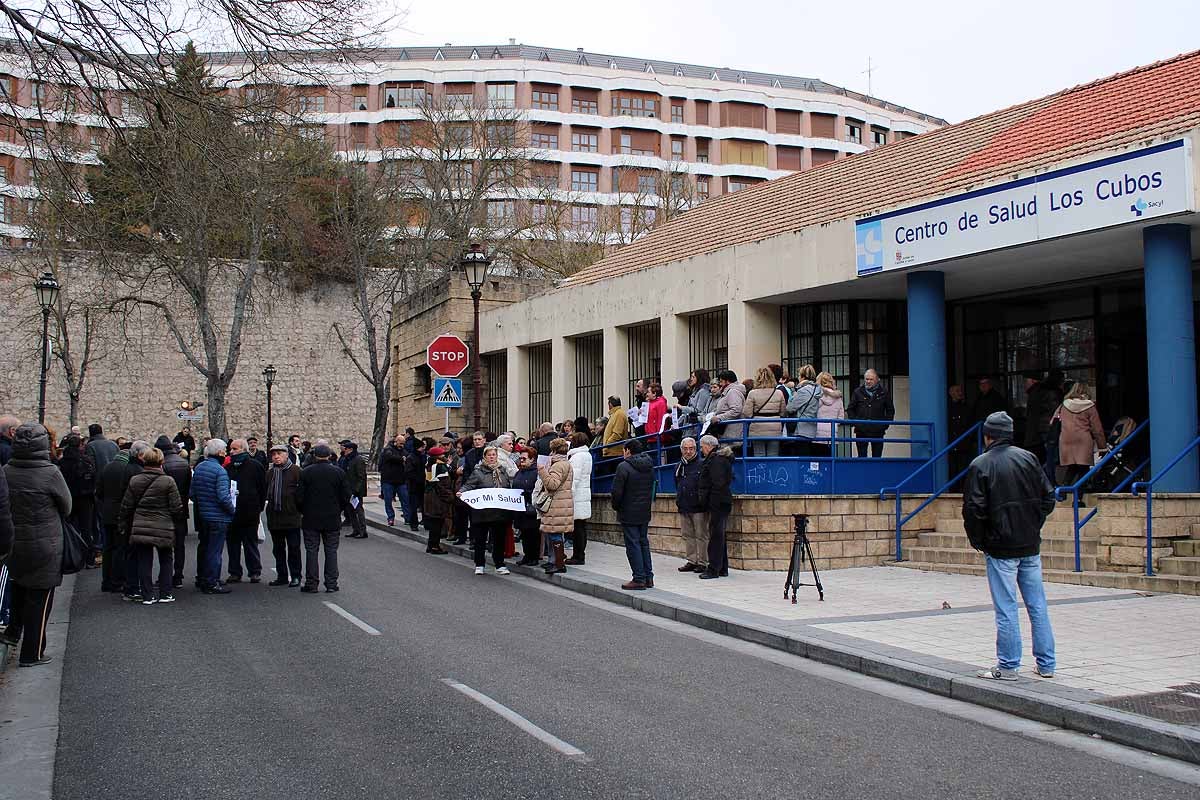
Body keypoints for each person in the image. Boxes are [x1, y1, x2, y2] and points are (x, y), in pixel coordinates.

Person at [963, 411, 1057, 681]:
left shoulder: (980, 465)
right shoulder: (1028, 458)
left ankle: (1008, 666)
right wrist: (1033, 524)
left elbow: (974, 510)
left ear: (988, 436)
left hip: (1001, 546)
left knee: (1006, 607)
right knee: (1037, 605)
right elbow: (1048, 498)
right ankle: (1047, 663)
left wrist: (981, 541)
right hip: (1029, 543)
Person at [0, 424, 70, 666]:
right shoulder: (50, 473)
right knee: (40, 599)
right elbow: (66, 505)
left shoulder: (6, 470)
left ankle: (12, 632)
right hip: (46, 541)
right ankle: (33, 652)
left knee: (19, 586)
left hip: (15, 541)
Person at [120, 447, 183, 604]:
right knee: (166, 559)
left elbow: (127, 505)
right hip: (163, 524)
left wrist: (123, 522)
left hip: (141, 524)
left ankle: (147, 594)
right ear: (161, 462)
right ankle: (165, 592)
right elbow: (176, 507)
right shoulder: (168, 481)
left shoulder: (135, 480)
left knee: (144, 560)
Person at [296, 443, 349, 593]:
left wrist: (303, 510)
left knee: (311, 550)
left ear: (315, 456)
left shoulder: (306, 472)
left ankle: (311, 583)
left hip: (311, 517)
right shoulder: (338, 473)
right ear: (329, 455)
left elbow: (299, 497)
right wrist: (339, 509)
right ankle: (331, 583)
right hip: (332, 517)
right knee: (331, 550)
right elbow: (345, 496)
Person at [459, 445, 513, 575]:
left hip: (499, 512)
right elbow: (468, 485)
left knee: (499, 540)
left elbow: (508, 487)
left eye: (494, 455)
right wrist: (461, 492)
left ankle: (499, 564)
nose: (492, 457)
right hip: (482, 513)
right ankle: (479, 564)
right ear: (484, 457)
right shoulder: (478, 472)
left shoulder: (502, 470)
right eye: (489, 455)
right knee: (480, 539)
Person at [190, 439, 235, 594]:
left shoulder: (200, 467)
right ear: (220, 452)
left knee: (204, 547)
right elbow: (223, 497)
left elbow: (192, 493)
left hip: (203, 514)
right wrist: (232, 510)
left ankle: (202, 577)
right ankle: (211, 581)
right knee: (215, 551)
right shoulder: (220, 471)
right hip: (218, 516)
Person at [611, 438, 655, 590]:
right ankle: (648, 577)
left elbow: (617, 492)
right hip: (644, 510)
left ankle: (639, 578)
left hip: (628, 511)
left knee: (633, 544)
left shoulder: (623, 467)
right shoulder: (649, 465)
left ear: (628, 451)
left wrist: (616, 506)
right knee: (643, 542)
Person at [225, 438, 266, 582]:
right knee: (233, 543)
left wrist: (258, 507)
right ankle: (235, 572)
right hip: (232, 512)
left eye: (235, 449)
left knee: (250, 542)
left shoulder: (255, 466)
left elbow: (262, 489)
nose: (231, 451)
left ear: (243, 449)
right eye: (231, 449)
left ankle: (254, 571)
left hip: (250, 511)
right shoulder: (228, 468)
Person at [1053, 382, 1106, 487]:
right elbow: (1097, 429)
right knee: (1084, 468)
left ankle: (1064, 489)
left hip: (1066, 440)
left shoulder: (1063, 405)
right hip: (1083, 440)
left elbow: (1053, 422)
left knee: (1072, 466)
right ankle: (1079, 497)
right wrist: (1102, 448)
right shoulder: (1089, 406)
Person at [265, 444, 303, 587]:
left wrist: (299, 509)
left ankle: (296, 576)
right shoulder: (270, 473)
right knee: (278, 549)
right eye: (274, 454)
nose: (276, 457)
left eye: (279, 454)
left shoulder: (296, 471)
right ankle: (281, 576)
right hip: (275, 517)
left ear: (286, 455)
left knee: (294, 548)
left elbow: (302, 493)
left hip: (291, 516)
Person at [156, 435, 192, 588]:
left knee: (165, 545)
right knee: (179, 544)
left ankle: (165, 576)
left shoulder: (162, 466)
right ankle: (178, 575)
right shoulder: (183, 464)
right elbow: (188, 488)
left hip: (165, 510)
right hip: (181, 509)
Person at [697, 434, 733, 579]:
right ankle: (722, 567)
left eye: (702, 446)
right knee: (719, 535)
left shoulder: (716, 460)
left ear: (708, 445)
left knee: (716, 536)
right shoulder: (719, 459)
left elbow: (717, 483)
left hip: (718, 502)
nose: (701, 450)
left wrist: (707, 499)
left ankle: (713, 569)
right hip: (721, 501)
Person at [536, 438, 575, 574]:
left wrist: (542, 471)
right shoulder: (565, 463)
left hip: (556, 504)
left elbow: (552, 484)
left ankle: (559, 564)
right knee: (556, 533)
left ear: (553, 449)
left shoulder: (558, 465)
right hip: (562, 503)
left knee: (555, 534)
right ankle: (557, 562)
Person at [56, 435, 96, 565]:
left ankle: (72, 556)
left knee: (70, 529)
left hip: (69, 497)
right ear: (80, 446)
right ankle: (89, 558)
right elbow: (93, 478)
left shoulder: (62, 462)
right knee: (86, 529)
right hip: (85, 498)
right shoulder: (86, 460)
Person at [674, 436, 707, 573]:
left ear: (696, 449)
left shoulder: (702, 464)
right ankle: (691, 560)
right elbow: (677, 484)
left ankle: (703, 562)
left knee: (701, 535)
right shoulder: (679, 466)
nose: (688, 451)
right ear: (681, 450)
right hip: (684, 505)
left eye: (691, 448)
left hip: (698, 506)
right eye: (685, 449)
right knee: (688, 535)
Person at [847, 369, 895, 458]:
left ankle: (876, 472)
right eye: (866, 379)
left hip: (878, 431)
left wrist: (884, 425)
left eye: (871, 379)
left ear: (877, 380)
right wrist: (856, 423)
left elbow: (890, 410)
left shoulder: (884, 392)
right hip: (861, 430)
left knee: (877, 458)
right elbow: (850, 409)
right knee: (862, 458)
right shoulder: (857, 392)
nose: (868, 381)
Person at [742, 367, 787, 457]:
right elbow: (783, 412)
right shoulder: (778, 393)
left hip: (757, 427)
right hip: (774, 426)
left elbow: (747, 413)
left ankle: (761, 471)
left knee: (759, 455)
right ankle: (772, 471)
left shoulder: (752, 393)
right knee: (773, 454)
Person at [1023, 369, 1064, 464]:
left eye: (1026, 381)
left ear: (1033, 380)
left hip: (1041, 432)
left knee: (1048, 458)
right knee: (1051, 458)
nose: (1024, 384)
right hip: (1048, 430)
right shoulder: (1049, 392)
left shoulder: (1036, 392)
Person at [565, 432, 593, 565]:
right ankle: (580, 554)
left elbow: (573, 478)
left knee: (577, 529)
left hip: (577, 496)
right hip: (584, 494)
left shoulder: (577, 457)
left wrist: (568, 494)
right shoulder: (587, 455)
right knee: (581, 527)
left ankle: (578, 555)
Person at [511, 448, 541, 566]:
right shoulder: (519, 472)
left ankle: (534, 556)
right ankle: (527, 555)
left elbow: (537, 489)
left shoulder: (536, 472)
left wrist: (526, 493)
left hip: (530, 507)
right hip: (520, 507)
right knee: (524, 533)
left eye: (524, 458)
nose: (521, 461)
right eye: (521, 458)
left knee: (532, 534)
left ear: (532, 459)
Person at [422, 446, 453, 554]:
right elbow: (443, 484)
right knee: (438, 524)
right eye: (442, 454)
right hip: (438, 499)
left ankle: (431, 545)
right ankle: (435, 546)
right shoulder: (440, 466)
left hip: (430, 496)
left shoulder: (429, 464)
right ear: (438, 456)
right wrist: (450, 497)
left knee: (434, 523)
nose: (444, 456)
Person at [787, 365, 823, 455]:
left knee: (801, 454)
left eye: (799, 375)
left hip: (801, 429)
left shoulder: (803, 391)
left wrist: (792, 395)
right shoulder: (817, 390)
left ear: (803, 377)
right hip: (812, 427)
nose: (798, 378)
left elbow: (790, 408)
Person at [339, 439, 368, 539]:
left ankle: (363, 531)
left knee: (358, 510)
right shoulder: (346, 459)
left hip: (355, 491)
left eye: (346, 448)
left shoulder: (358, 459)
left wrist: (356, 490)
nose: (344, 450)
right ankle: (356, 530)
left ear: (351, 449)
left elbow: (361, 476)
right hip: (348, 490)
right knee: (350, 511)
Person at [377, 434, 408, 527]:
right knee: (388, 500)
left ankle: (407, 518)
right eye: (400, 443)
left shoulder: (403, 451)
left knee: (405, 499)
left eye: (403, 443)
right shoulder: (388, 449)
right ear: (396, 441)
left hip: (400, 480)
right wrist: (401, 459)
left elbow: (406, 457)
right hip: (388, 480)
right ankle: (390, 518)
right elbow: (390, 457)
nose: (402, 445)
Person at [710, 370, 747, 440]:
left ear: (727, 381)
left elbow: (736, 410)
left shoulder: (732, 392)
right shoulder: (728, 391)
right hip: (728, 431)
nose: (720, 384)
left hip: (732, 433)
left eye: (721, 381)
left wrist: (719, 417)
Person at [815, 372, 845, 457]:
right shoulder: (838, 398)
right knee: (830, 460)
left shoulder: (818, 396)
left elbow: (813, 412)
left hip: (818, 433)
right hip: (832, 433)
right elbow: (841, 417)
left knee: (817, 462)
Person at [600, 396, 631, 473]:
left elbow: (617, 434)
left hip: (614, 452)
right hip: (611, 452)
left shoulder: (619, 414)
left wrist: (606, 446)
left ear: (610, 404)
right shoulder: (615, 414)